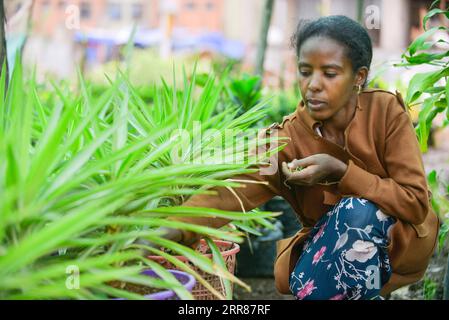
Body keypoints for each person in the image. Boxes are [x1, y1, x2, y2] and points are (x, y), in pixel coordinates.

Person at [156, 15, 440, 300]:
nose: (313, 85)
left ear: (359, 77)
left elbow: (415, 203)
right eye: (305, 71)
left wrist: (342, 172)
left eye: (329, 74)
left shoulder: (385, 113)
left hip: (399, 247)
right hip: (326, 260)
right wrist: (172, 226)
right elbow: (233, 192)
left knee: (357, 210)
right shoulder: (286, 139)